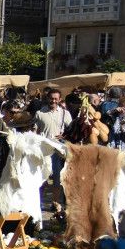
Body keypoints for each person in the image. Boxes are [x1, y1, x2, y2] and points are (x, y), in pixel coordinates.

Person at [35, 89, 72, 219]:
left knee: (57, 177)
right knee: (42, 177)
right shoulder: (40, 113)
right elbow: (35, 130)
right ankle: (38, 202)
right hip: (44, 149)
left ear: (60, 99)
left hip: (58, 150)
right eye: (52, 98)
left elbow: (71, 130)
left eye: (56, 99)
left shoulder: (64, 113)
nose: (53, 101)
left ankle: (55, 203)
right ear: (47, 98)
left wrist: (64, 135)